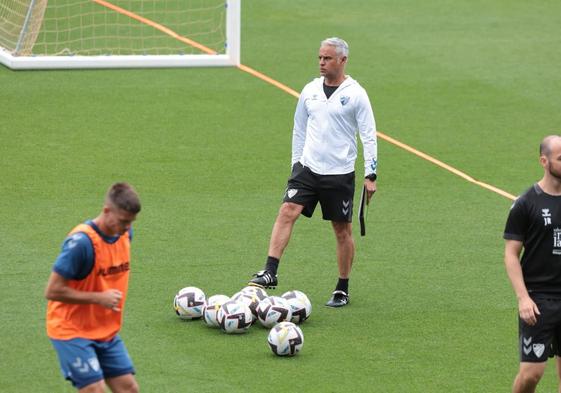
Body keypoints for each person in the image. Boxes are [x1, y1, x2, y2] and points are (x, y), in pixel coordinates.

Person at [249, 37, 378, 307]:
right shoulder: (309, 90)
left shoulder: (356, 94)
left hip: (339, 173)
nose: (321, 62)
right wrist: (296, 163)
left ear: (342, 60)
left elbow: (368, 135)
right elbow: (299, 128)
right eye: (320, 57)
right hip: (307, 169)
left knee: (342, 230)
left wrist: (370, 174)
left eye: (327, 58)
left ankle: (342, 287)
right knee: (287, 211)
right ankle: (270, 271)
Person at [45, 182, 141, 393]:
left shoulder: (125, 234)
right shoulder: (81, 244)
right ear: (107, 211)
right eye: (123, 221)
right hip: (71, 330)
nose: (127, 227)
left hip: (105, 331)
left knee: (129, 389)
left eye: (131, 222)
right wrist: (98, 298)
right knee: (94, 390)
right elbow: (52, 291)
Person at [504, 135, 561, 393]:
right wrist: (523, 298)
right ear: (544, 161)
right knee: (531, 375)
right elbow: (511, 254)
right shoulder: (526, 203)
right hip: (538, 300)